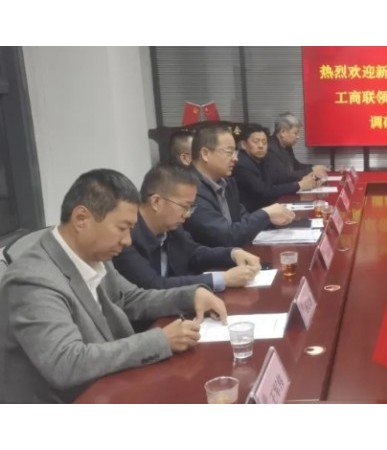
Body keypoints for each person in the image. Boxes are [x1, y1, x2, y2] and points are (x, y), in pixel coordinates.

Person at [0, 169, 227, 403]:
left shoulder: (95, 254)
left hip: (108, 385)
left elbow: (130, 299)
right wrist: (160, 340)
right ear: (81, 219)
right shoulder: (33, 280)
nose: (127, 241)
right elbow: (66, 363)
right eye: (122, 228)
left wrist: (190, 295)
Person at [113, 163, 261, 291]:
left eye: (191, 207)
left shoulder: (172, 228)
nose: (188, 214)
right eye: (185, 206)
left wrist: (233, 253)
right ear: (156, 202)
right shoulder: (125, 238)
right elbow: (154, 285)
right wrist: (223, 279)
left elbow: (194, 252)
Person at [184, 125, 295, 247]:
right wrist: (265, 214)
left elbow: (243, 219)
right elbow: (226, 237)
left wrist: (270, 220)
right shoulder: (188, 189)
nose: (235, 158)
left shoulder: (227, 183)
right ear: (205, 154)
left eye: (235, 152)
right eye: (229, 152)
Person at [233, 123, 317, 212]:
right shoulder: (242, 164)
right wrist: (299, 185)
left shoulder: (264, 159)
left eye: (264, 142)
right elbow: (265, 192)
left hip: (268, 208)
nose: (261, 146)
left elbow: (278, 177)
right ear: (243, 144)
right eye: (256, 141)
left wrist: (303, 179)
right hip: (253, 214)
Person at [267, 112, 328, 182]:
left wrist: (314, 167)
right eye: (295, 133)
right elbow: (283, 176)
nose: (298, 137)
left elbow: (296, 166)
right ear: (283, 132)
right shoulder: (270, 149)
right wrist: (312, 170)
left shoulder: (287, 146)